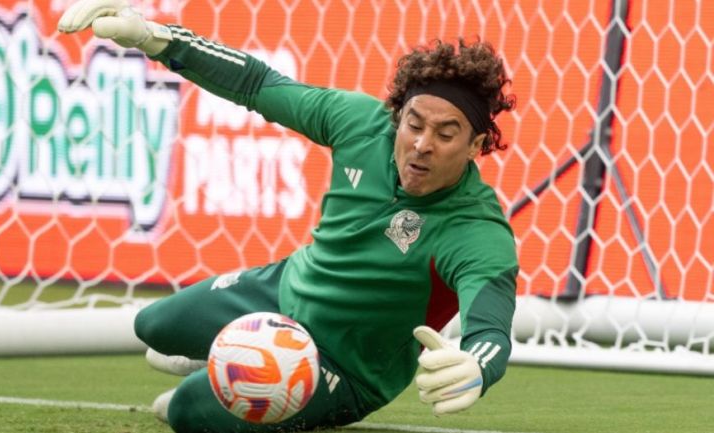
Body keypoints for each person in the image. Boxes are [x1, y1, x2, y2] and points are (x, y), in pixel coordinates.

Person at [59, 1, 518, 432]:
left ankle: (227, 369)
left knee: (183, 411)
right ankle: (231, 354)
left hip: (344, 367)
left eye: (446, 133)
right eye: (415, 124)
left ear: (476, 146)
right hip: (283, 291)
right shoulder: (360, 123)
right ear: (399, 117)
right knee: (153, 327)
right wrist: (159, 39)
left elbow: (491, 329)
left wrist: (478, 364)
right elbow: (258, 84)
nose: (421, 143)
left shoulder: (476, 230)